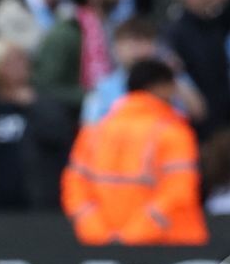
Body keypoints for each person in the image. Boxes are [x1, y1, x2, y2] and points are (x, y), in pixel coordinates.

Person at [62, 58, 208, 245]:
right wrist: (135, 235)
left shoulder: (94, 131)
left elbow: (75, 189)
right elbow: (178, 190)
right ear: (162, 87)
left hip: (104, 243)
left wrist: (98, 233)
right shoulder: (173, 132)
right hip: (168, 245)